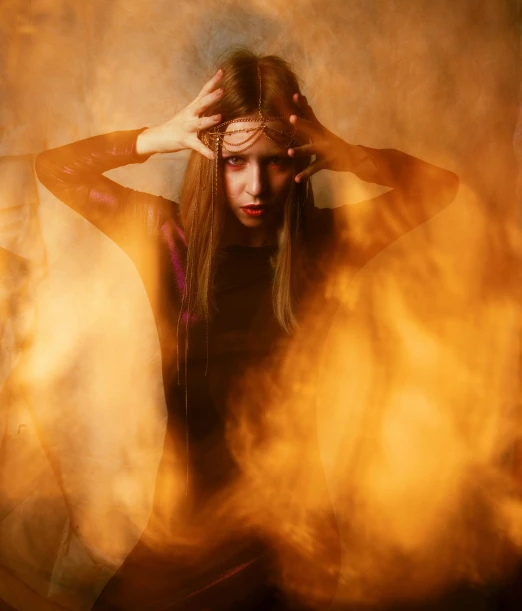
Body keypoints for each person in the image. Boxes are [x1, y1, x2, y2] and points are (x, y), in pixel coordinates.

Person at [35, 48, 459, 611]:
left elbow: (440, 186)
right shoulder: (165, 237)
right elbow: (54, 168)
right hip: (184, 540)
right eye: (235, 161)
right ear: (207, 156)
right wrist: (154, 137)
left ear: (298, 159)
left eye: (274, 160)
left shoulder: (327, 245)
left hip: (288, 539)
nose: (256, 185)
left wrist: (349, 155)